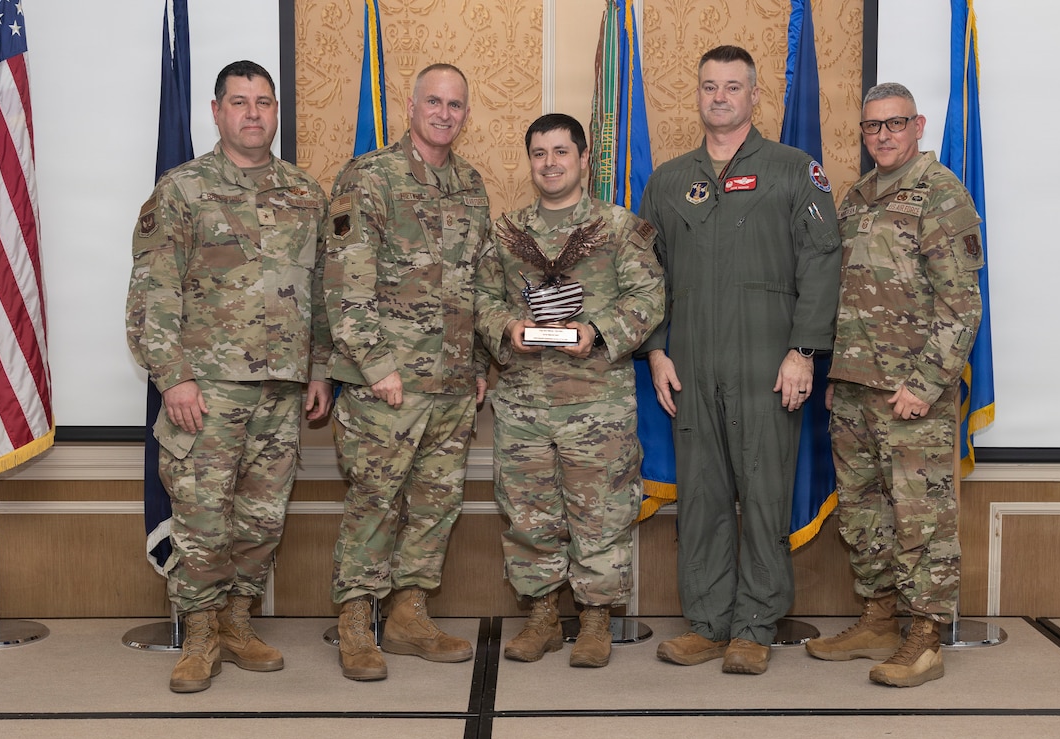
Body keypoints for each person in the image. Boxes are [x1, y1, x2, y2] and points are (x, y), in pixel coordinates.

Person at [126, 60, 332, 693]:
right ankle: (199, 636)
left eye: (263, 102)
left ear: (275, 113)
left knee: (261, 520)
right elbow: (152, 295)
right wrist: (175, 379)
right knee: (201, 519)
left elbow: (322, 292)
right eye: (239, 102)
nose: (252, 113)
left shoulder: (305, 193)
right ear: (216, 112)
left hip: (282, 388)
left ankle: (238, 624)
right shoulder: (181, 191)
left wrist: (321, 368)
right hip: (206, 391)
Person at [639, 46, 842, 675]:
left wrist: (804, 351)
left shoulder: (792, 169)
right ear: (697, 95)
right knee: (700, 497)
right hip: (691, 364)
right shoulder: (670, 180)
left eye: (733, 87)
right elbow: (644, 274)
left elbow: (823, 261)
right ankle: (707, 623)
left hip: (767, 364)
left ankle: (754, 624)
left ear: (756, 97)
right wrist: (654, 351)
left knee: (762, 493)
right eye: (709, 86)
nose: (720, 97)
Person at [804, 82, 983, 687]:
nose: (882, 135)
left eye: (895, 123)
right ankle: (879, 620)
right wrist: (838, 372)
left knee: (920, 518)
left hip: (912, 394)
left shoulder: (941, 195)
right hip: (855, 388)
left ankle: (926, 638)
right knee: (864, 514)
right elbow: (845, 292)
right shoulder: (855, 196)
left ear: (919, 125)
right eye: (872, 126)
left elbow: (962, 307)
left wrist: (926, 385)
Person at [474, 114, 664, 668]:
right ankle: (541, 618)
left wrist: (599, 330)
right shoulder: (506, 232)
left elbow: (649, 298)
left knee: (600, 512)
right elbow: (480, 299)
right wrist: (506, 328)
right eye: (539, 153)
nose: (550, 163)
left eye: (561, 151)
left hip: (596, 401)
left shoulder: (620, 227)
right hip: (524, 401)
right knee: (529, 513)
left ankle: (596, 620)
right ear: (529, 160)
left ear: (584, 159)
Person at [323, 64, 491, 681]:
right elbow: (344, 282)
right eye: (434, 102)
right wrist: (375, 366)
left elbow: (475, 282)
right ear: (411, 106)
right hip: (387, 383)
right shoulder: (372, 177)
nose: (444, 113)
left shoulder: (471, 184)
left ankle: (408, 615)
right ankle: (355, 622)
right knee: (375, 500)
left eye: (455, 105)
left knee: (435, 503)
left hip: (449, 381)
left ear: (464, 113)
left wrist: (475, 362)